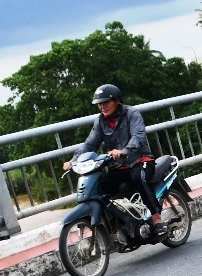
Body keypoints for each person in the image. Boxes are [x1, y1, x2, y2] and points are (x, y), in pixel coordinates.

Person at [63, 84, 166, 239]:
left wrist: (123, 151)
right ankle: (118, 222)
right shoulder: (100, 121)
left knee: (139, 177)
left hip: (139, 160)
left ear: (117, 101)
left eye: (106, 102)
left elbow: (138, 137)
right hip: (119, 166)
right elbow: (90, 144)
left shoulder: (132, 114)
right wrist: (73, 160)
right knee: (99, 187)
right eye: (99, 104)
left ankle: (157, 220)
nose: (102, 107)